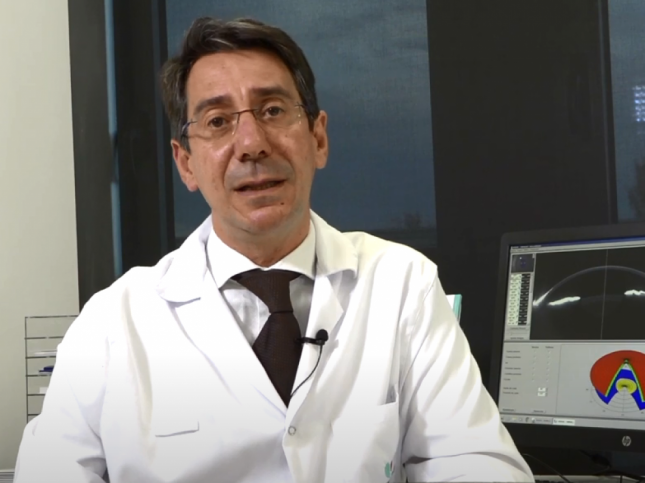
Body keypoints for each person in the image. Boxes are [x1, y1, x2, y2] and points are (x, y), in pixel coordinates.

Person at [14, 16, 534, 483]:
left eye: (272, 110)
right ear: (186, 164)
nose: (251, 143)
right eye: (218, 121)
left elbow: (479, 463)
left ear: (318, 138)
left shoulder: (402, 283)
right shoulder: (112, 323)